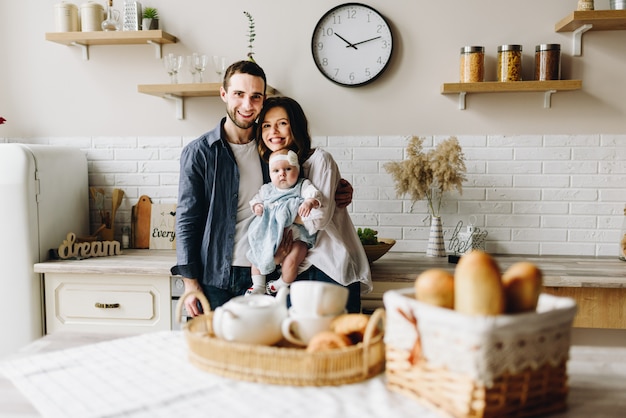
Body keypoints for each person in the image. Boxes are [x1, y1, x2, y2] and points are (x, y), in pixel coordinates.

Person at [171, 60, 354, 316]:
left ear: (263, 99)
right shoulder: (200, 153)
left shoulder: (271, 148)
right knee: (216, 353)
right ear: (223, 94)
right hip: (215, 277)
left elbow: (304, 185)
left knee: (265, 352)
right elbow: (187, 220)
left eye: (255, 97)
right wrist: (190, 284)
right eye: (239, 94)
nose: (247, 105)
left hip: (266, 274)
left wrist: (339, 191)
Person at [256, 96, 372, 313]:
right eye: (266, 125)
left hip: (327, 266)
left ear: (296, 125)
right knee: (297, 341)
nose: (274, 132)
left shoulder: (320, 160)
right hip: (292, 270)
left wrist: (275, 215)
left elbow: (317, 218)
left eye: (282, 123)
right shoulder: (271, 166)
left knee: (337, 343)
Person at [246, 148, 322, 296]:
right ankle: (258, 285)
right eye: (276, 171)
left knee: (292, 260)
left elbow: (314, 194)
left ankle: (281, 283)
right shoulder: (267, 189)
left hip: (297, 236)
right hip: (270, 234)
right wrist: (257, 206)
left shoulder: (302, 185)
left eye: (288, 169)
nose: (282, 173)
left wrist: (309, 203)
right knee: (257, 253)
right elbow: (255, 200)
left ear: (297, 170)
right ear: (270, 174)